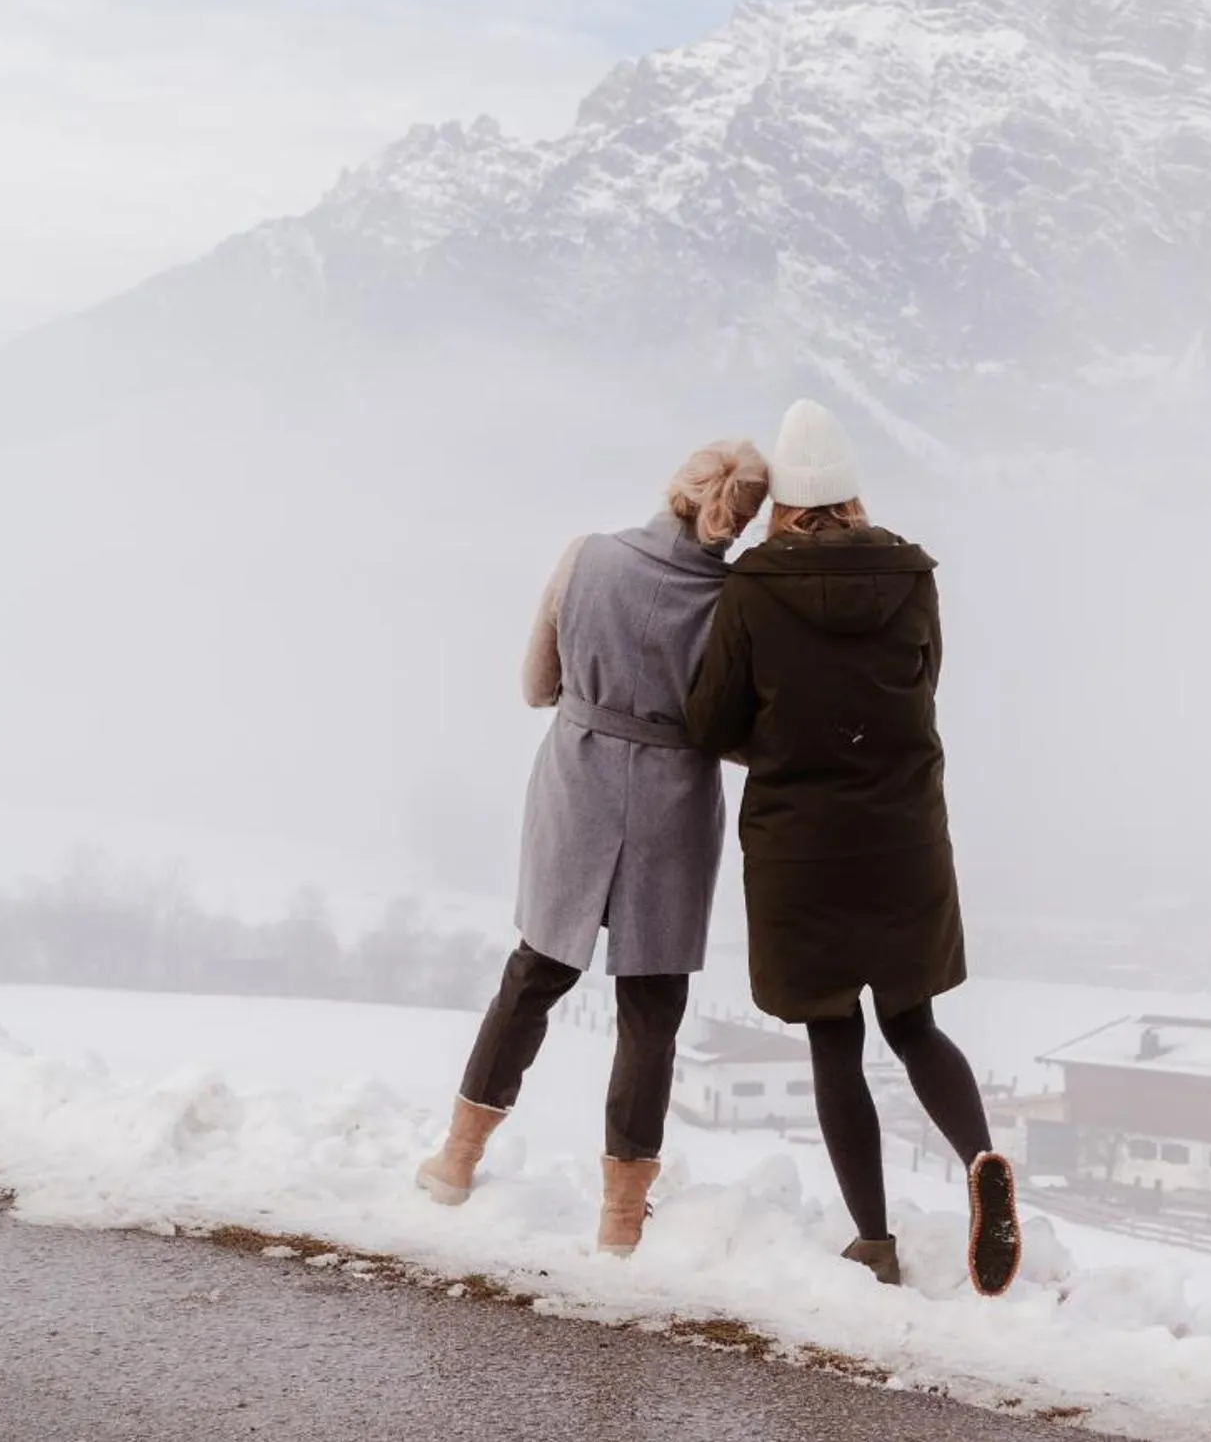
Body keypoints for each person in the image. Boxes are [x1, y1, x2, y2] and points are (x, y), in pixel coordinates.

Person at [684, 399, 1021, 1296]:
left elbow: (711, 719)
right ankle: (983, 1158)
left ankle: (873, 1241)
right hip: (905, 837)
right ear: (854, 496)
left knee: (834, 1040)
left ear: (782, 506)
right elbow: (921, 689)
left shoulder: (753, 588)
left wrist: (787, 744)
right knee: (913, 1025)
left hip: (803, 848)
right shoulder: (912, 576)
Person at [415, 441, 770, 1256]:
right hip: (674, 803)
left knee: (534, 972)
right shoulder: (739, 602)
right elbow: (741, 737)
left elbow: (538, 688)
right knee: (651, 1008)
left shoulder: (585, 558)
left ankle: (456, 1161)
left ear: (676, 486)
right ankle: (618, 1219)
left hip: (577, 783)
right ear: (742, 519)